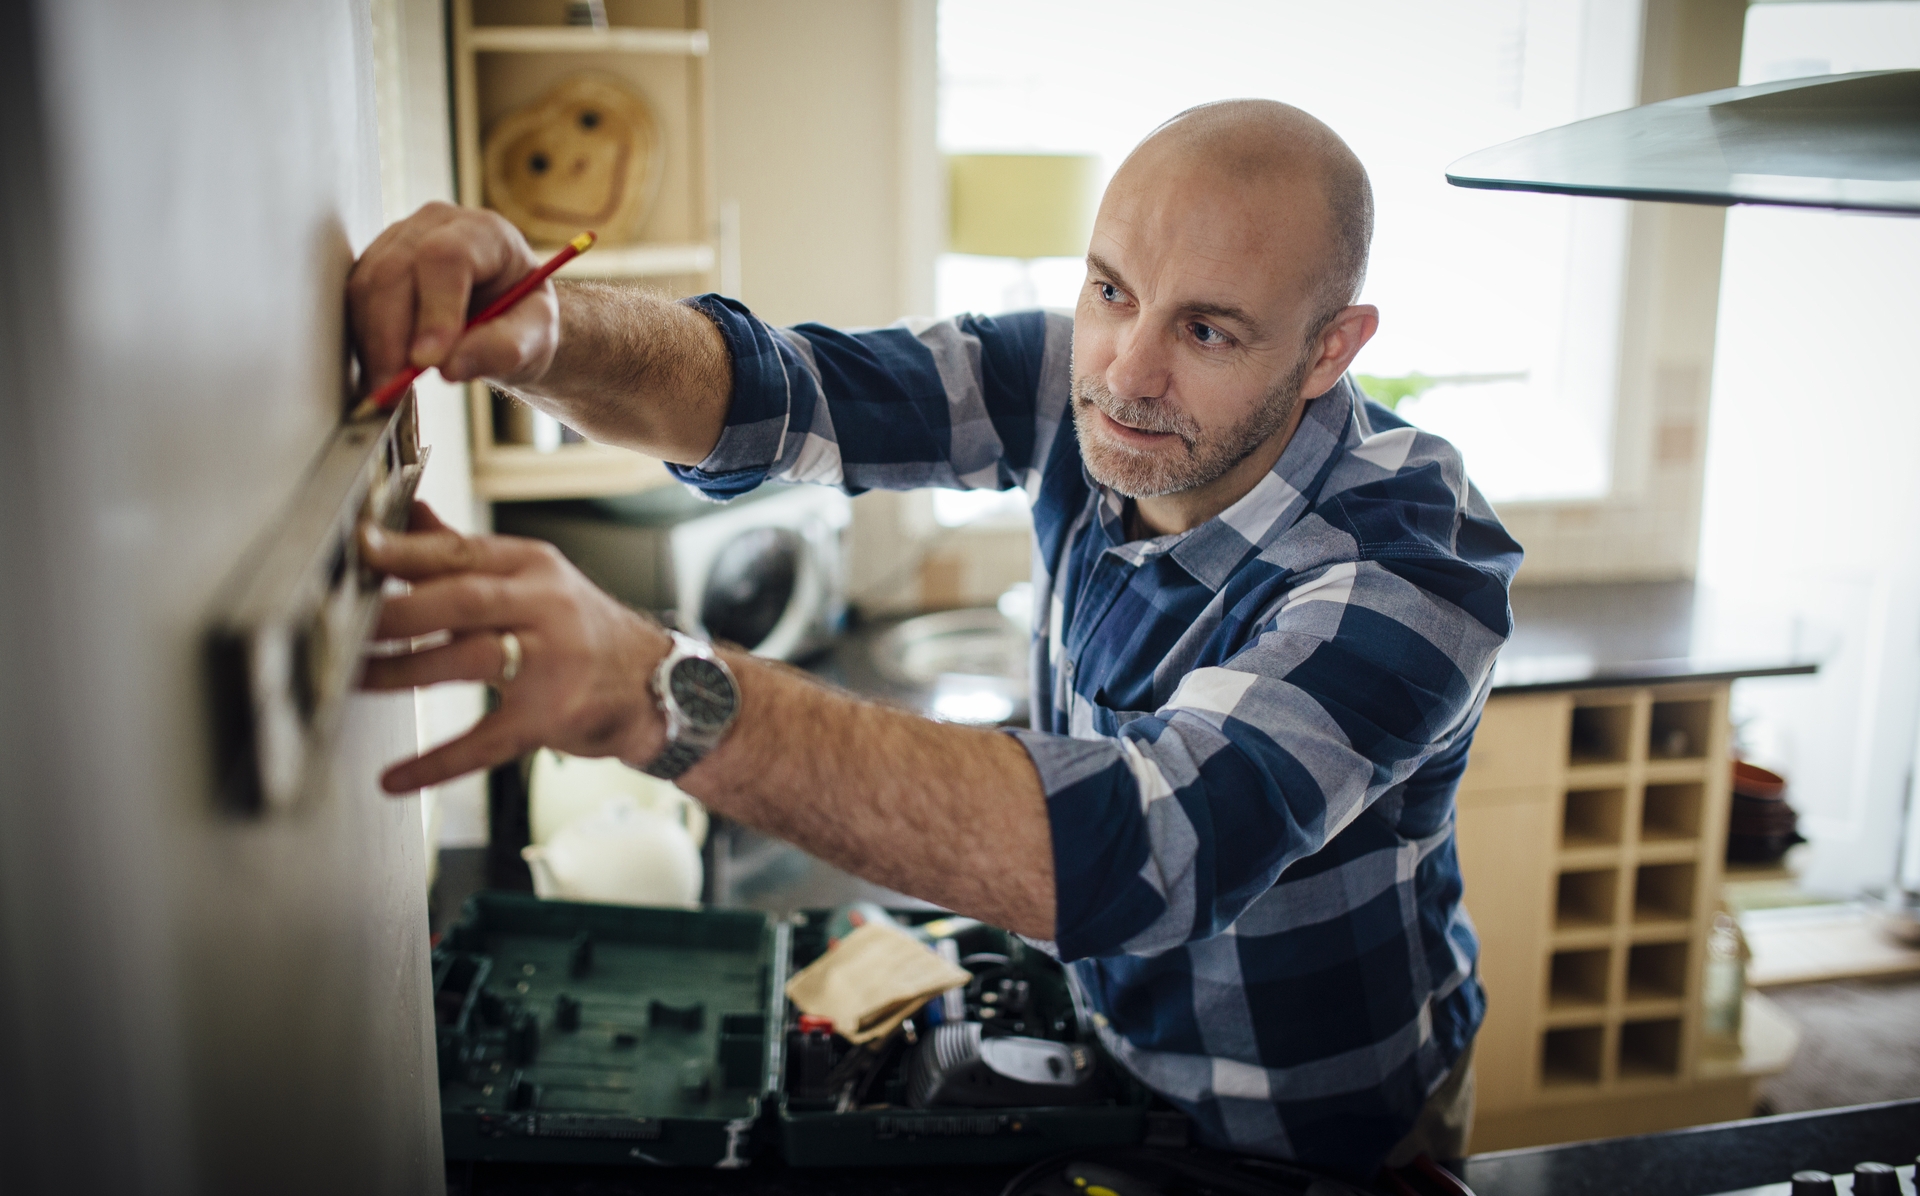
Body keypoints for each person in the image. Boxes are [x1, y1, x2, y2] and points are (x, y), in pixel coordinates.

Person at [349, 99, 1521, 1177]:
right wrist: (548, 328)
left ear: (1330, 348)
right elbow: (786, 394)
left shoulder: (1414, 562)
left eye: (1209, 331)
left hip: (1318, 1128)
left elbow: (1156, 844)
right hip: (1106, 1050)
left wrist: (657, 688)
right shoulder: (1081, 374)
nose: (1125, 370)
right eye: (1110, 288)